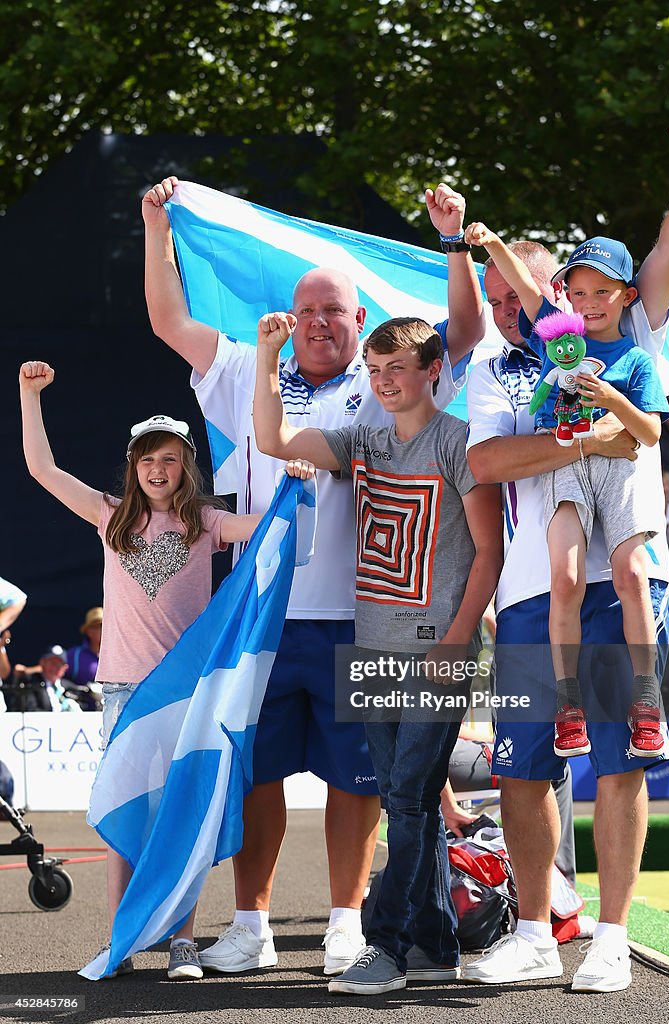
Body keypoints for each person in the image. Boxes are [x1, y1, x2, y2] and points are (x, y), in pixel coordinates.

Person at [142, 176, 486, 975]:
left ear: (360, 321)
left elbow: (461, 332)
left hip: (362, 615)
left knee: (356, 781)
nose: (320, 322)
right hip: (265, 617)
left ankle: (344, 921)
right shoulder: (243, 372)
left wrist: (453, 240)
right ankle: (250, 925)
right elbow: (168, 319)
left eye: (335, 310)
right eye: (308, 311)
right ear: (289, 321)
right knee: (257, 776)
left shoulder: (384, 380)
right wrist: (156, 226)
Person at [462, 82, 669, 993]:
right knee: (523, 773)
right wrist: (590, 433)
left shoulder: (633, 326)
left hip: (623, 573)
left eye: (526, 289)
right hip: (532, 593)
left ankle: (608, 936)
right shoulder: (495, 367)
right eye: (512, 292)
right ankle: (534, 931)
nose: (516, 303)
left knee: (619, 760)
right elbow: (490, 462)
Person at [19, 360, 313, 981]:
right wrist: (28, 395)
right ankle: (122, 937)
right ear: (134, 467)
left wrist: (294, 481)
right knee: (125, 811)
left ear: (185, 467)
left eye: (170, 459)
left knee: (184, 811)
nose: (158, 470)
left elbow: (267, 530)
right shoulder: (110, 517)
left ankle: (182, 942)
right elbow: (41, 471)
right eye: (148, 460)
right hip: (126, 691)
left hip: (188, 694)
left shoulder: (205, 521)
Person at [252, 312, 502, 994]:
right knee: (406, 800)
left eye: (398, 369)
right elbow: (272, 438)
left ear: (431, 373)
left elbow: (490, 552)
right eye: (376, 370)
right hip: (370, 648)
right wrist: (267, 358)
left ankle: (383, 946)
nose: (385, 381)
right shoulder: (362, 437)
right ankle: (435, 944)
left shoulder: (458, 443)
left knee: (408, 799)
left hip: (434, 652)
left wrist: (456, 643)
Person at [465, 222, 669, 759]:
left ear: (627, 297)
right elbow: (526, 288)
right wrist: (490, 245)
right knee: (567, 578)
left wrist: (609, 397)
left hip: (619, 468)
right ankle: (567, 703)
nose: (590, 302)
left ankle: (647, 702)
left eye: (602, 292)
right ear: (565, 297)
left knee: (632, 574)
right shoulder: (556, 335)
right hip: (570, 466)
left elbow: (648, 432)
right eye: (578, 292)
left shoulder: (638, 355)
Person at [66, 607, 103, 685]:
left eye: (106, 626)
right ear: (89, 631)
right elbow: (51, 667)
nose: (104, 630)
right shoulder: (75, 655)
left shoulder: (120, 655)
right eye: (99, 626)